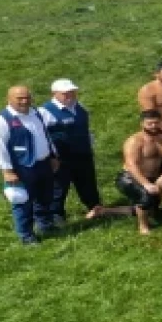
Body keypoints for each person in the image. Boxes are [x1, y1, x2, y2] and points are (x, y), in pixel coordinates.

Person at [39, 79, 105, 224]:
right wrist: (51, 156)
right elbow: (42, 136)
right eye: (65, 93)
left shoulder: (79, 106)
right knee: (59, 187)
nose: (70, 95)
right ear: (54, 94)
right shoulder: (45, 112)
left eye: (72, 92)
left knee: (88, 182)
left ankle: (96, 208)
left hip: (83, 154)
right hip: (62, 158)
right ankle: (56, 215)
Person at [0, 86, 59, 245]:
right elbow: (0, 148)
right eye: (20, 98)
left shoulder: (35, 113)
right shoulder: (3, 120)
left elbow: (45, 136)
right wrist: (7, 171)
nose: (24, 101)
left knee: (45, 197)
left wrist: (52, 155)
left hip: (43, 163)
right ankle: (26, 235)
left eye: (27, 97)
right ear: (9, 99)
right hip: (22, 167)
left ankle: (45, 225)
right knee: (23, 202)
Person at [117, 111, 162, 235]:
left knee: (150, 207)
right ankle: (143, 226)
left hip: (155, 177)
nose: (153, 126)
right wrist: (146, 184)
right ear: (142, 124)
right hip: (130, 178)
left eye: (156, 123)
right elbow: (131, 165)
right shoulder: (135, 141)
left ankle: (104, 211)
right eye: (149, 123)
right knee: (146, 197)